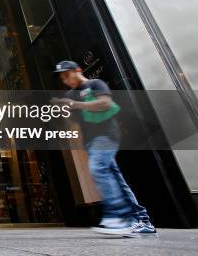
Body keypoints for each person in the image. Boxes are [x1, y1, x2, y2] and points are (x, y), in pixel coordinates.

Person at [52, 60, 156, 237]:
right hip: (91, 141)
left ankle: (118, 217)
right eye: (62, 78)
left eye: (67, 75)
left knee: (98, 168)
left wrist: (75, 105)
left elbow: (105, 104)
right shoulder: (71, 94)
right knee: (116, 177)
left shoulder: (95, 84)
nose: (66, 80)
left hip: (106, 134)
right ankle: (141, 220)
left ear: (78, 70)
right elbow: (77, 120)